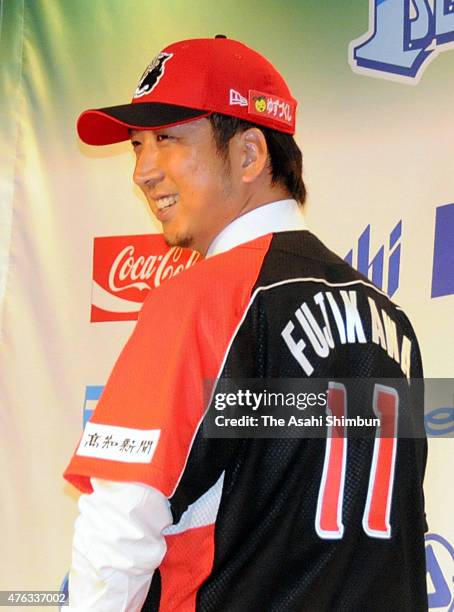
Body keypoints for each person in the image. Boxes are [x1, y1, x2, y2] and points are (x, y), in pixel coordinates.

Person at [64, 36, 428, 611]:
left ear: (251, 154)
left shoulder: (203, 298)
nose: (143, 171)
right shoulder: (390, 318)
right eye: (137, 146)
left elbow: (117, 531)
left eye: (167, 139)